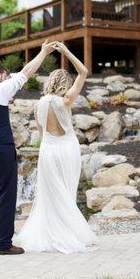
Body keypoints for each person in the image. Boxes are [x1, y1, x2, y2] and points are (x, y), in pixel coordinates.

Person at [0, 39, 58, 255]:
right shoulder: (0, 90)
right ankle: (3, 244)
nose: (7, 79)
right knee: (6, 194)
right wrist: (43, 52)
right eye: (5, 76)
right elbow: (26, 72)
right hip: (1, 147)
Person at [16, 42, 97, 254]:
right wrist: (67, 52)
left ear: (50, 82)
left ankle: (51, 232)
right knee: (66, 190)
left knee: (49, 194)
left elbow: (43, 135)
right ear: (65, 83)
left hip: (48, 150)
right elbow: (84, 71)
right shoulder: (66, 100)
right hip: (68, 149)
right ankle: (68, 232)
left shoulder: (38, 105)